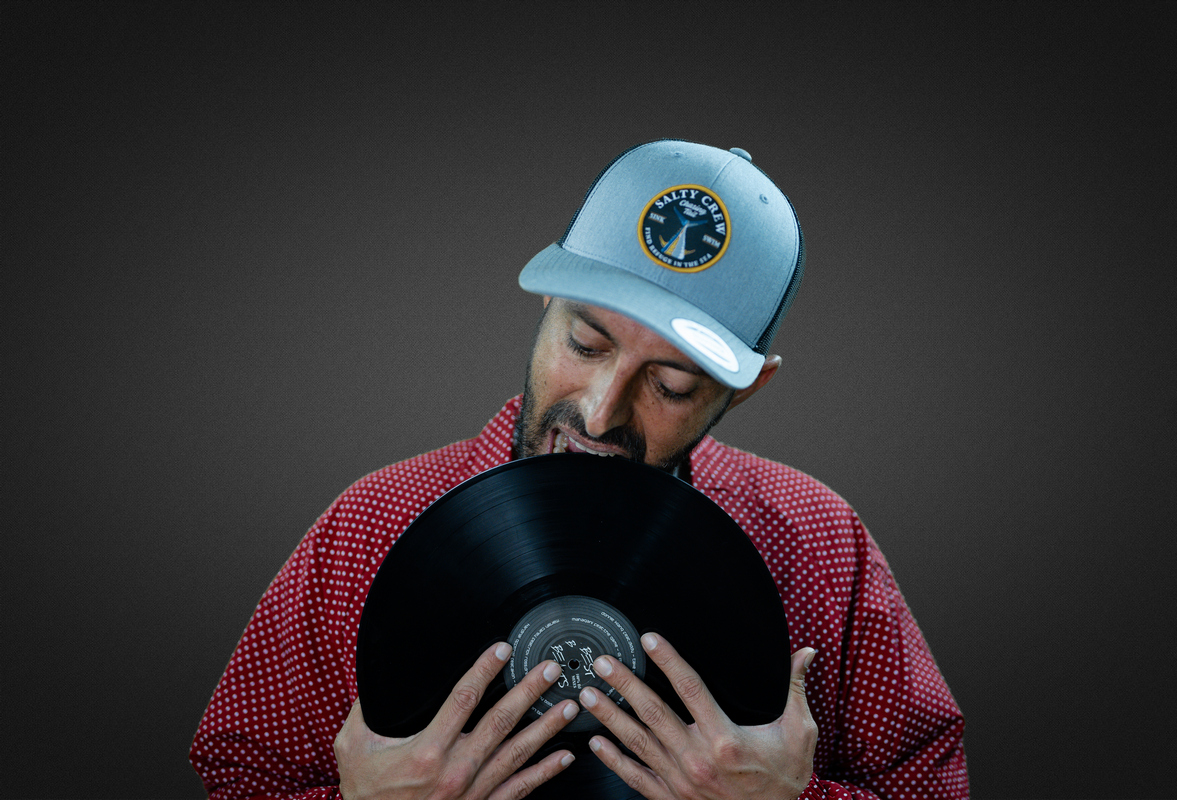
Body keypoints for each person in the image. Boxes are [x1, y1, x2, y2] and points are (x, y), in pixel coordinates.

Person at [190, 140, 969, 800]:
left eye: (672, 385)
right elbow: (236, 777)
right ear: (548, 302)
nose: (599, 413)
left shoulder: (820, 543)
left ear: (747, 388)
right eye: (586, 345)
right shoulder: (369, 526)